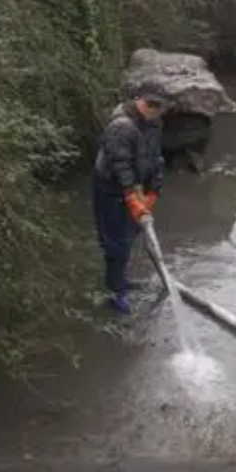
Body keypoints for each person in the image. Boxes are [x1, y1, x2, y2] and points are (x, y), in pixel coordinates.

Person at [93, 81, 170, 314]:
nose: (154, 109)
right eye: (150, 104)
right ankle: (115, 292)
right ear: (138, 100)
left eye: (159, 106)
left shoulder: (154, 123)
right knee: (116, 242)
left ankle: (121, 280)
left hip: (137, 186)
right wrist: (130, 196)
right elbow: (121, 165)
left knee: (131, 235)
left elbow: (156, 157)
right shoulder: (121, 126)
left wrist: (154, 190)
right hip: (111, 189)